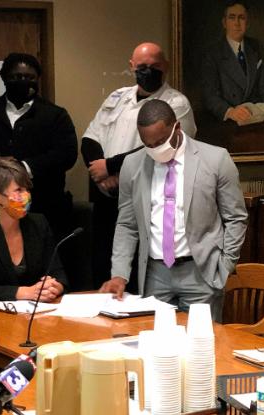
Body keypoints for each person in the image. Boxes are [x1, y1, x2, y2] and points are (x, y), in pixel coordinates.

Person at [99, 100, 247, 321]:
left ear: (177, 128)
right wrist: (119, 274)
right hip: (154, 274)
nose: (155, 149)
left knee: (200, 346)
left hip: (201, 271)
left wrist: (225, 266)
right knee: (156, 346)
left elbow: (236, 218)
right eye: (148, 144)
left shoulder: (216, 159)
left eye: (160, 141)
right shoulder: (132, 164)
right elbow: (127, 224)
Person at [82, 42, 196, 289]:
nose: (148, 71)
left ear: (165, 66)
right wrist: (101, 175)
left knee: (137, 276)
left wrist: (111, 167)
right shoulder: (117, 98)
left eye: (155, 66)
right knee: (104, 268)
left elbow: (162, 146)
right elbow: (91, 137)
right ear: (131, 66)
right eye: (142, 66)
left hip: (145, 193)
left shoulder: (175, 102)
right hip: (106, 195)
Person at [0, 53, 78, 238]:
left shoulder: (56, 115)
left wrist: (23, 168)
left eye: (30, 77)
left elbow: (67, 154)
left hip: (45, 208)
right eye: (16, 77)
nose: (23, 81)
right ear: (4, 78)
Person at [0, 158, 66, 302]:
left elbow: (57, 272)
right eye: (18, 190)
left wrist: (54, 286)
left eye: (27, 189)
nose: (26, 196)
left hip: (37, 314)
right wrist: (20, 293)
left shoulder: (38, 223)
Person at [201, 1, 264, 123]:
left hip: (256, 119)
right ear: (224, 23)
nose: (237, 23)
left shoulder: (256, 47)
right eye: (232, 17)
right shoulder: (213, 53)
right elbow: (210, 96)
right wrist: (230, 112)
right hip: (226, 123)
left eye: (241, 18)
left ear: (248, 23)